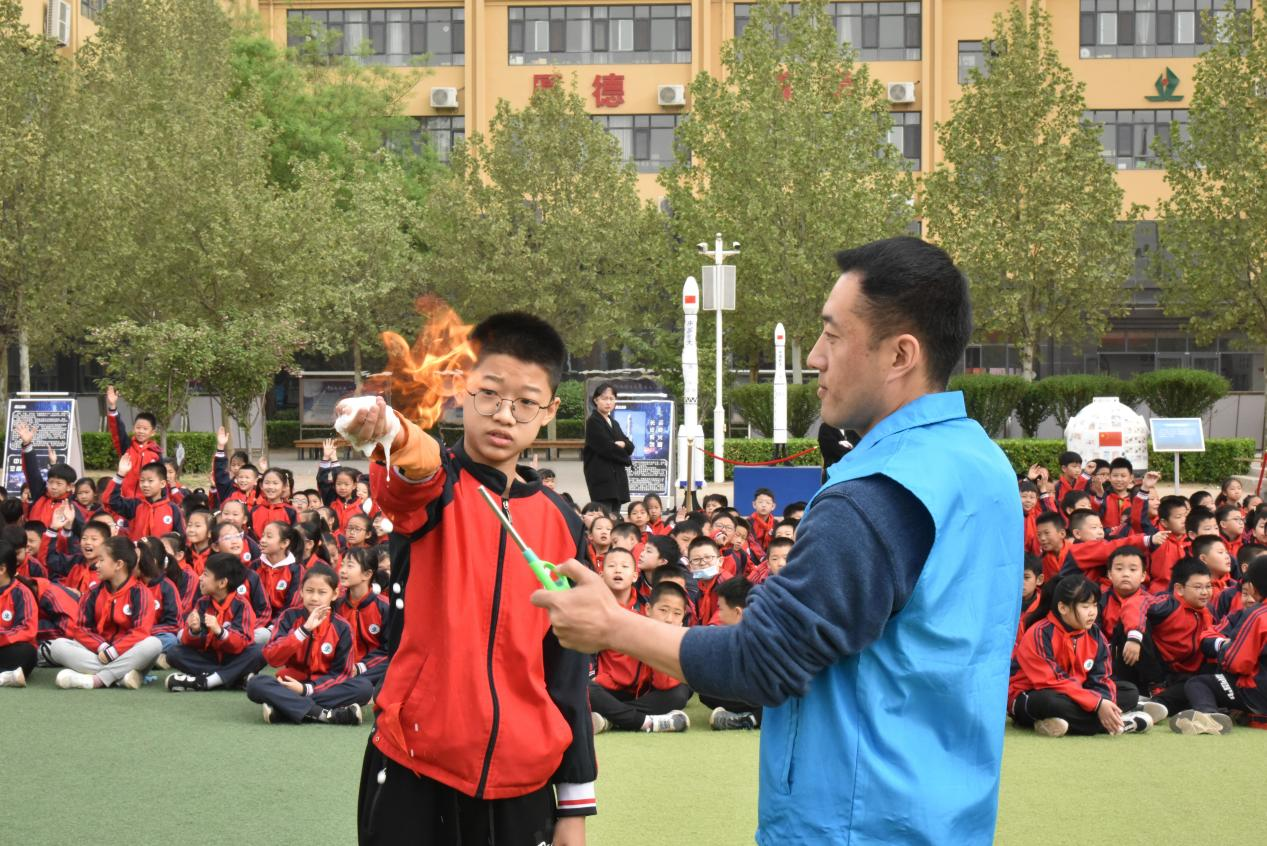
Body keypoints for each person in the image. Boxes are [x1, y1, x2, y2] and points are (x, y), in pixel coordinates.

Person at [534, 236, 1021, 844]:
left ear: (900, 355)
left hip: (855, 820)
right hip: (948, 816)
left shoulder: (871, 497)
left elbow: (762, 663)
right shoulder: (983, 463)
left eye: (832, 335)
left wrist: (611, 626)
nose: (815, 356)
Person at [344, 312, 596, 846]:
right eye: (490, 394)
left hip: (523, 781)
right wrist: (390, 431)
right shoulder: (436, 486)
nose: (505, 414)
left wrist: (574, 803)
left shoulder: (563, 522)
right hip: (416, 764)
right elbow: (412, 475)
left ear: (550, 411)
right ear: (460, 388)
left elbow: (567, 666)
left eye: (526, 401)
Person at [1008, 575, 1153, 736]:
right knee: (1049, 702)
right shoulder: (1040, 633)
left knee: (1129, 692)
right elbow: (1051, 681)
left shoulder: (1095, 634)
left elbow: (1101, 677)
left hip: (1078, 694)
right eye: (1085, 606)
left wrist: (1105, 702)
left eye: (1094, 605)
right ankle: (1120, 723)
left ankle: (1067, 723)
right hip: (1034, 693)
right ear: (1063, 608)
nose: (1092, 612)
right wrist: (1097, 704)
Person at [245, 563, 365, 725]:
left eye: (322, 592)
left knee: (363, 688)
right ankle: (324, 714)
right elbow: (272, 658)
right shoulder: (288, 617)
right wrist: (303, 630)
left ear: (335, 594)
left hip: (322, 687)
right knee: (255, 684)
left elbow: (341, 674)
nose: (314, 598)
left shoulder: (342, 627)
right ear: (301, 591)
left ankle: (284, 708)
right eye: (309, 591)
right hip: (291, 681)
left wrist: (305, 690)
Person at [46, 537, 162, 690]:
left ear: (119, 564)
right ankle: (121, 677)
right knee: (57, 646)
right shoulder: (93, 592)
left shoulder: (141, 593)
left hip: (129, 653)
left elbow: (140, 632)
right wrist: (102, 647)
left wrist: (114, 652)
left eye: (101, 560)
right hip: (100, 655)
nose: (96, 565)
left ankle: (98, 680)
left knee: (154, 644)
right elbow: (80, 629)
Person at [589, 568, 690, 734]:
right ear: (648, 609)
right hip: (617, 690)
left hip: (647, 696)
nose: (669, 618)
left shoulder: (679, 638)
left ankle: (611, 719)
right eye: (663, 610)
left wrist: (661, 644)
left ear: (682, 617)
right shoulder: (631, 627)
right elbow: (619, 676)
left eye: (676, 613)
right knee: (587, 690)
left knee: (679, 694)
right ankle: (642, 722)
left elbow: (664, 684)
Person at [1175, 557, 1267, 735]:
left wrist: (1225, 649)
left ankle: (1209, 715)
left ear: (1253, 589)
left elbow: (1237, 662)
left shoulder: (1258, 615)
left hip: (1259, 694)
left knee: (1199, 683)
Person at [164, 552, 265, 692]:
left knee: (260, 652)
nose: (200, 578)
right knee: (174, 653)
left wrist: (221, 632)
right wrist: (194, 631)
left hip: (234, 658)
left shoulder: (242, 605)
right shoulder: (202, 603)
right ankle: (236, 678)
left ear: (222, 583)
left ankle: (207, 681)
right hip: (209, 658)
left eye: (205, 574)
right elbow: (193, 643)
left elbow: (241, 644)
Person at [701, 577, 763, 731]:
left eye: (720, 609)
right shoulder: (736, 634)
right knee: (707, 690)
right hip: (756, 692)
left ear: (737, 612)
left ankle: (748, 719)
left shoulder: (765, 634)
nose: (718, 616)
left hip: (783, 695)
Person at [582, 381, 633, 513]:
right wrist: (626, 457)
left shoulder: (614, 423)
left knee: (615, 519)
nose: (608, 402)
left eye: (611, 399)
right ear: (596, 400)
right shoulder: (593, 422)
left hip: (616, 480)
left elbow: (630, 445)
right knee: (604, 516)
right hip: (601, 479)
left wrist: (622, 444)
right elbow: (606, 448)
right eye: (604, 398)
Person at [104, 385, 162, 500]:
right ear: (133, 428)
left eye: (145, 429)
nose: (141, 431)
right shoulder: (126, 446)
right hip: (125, 499)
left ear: (153, 432)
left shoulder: (156, 453)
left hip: (145, 502)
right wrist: (112, 406)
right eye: (138, 427)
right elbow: (117, 430)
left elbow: (160, 478)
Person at [107, 456, 184, 540]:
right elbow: (110, 501)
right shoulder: (135, 506)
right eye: (142, 480)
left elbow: (182, 538)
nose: (145, 485)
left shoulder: (173, 509)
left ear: (162, 484)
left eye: (150, 481)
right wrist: (120, 475)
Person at [0, 540, 38, 688]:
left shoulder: (22, 592)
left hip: (8, 648)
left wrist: (2, 637)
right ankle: (6, 677)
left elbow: (27, 629)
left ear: (2, 569)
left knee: (27, 653)